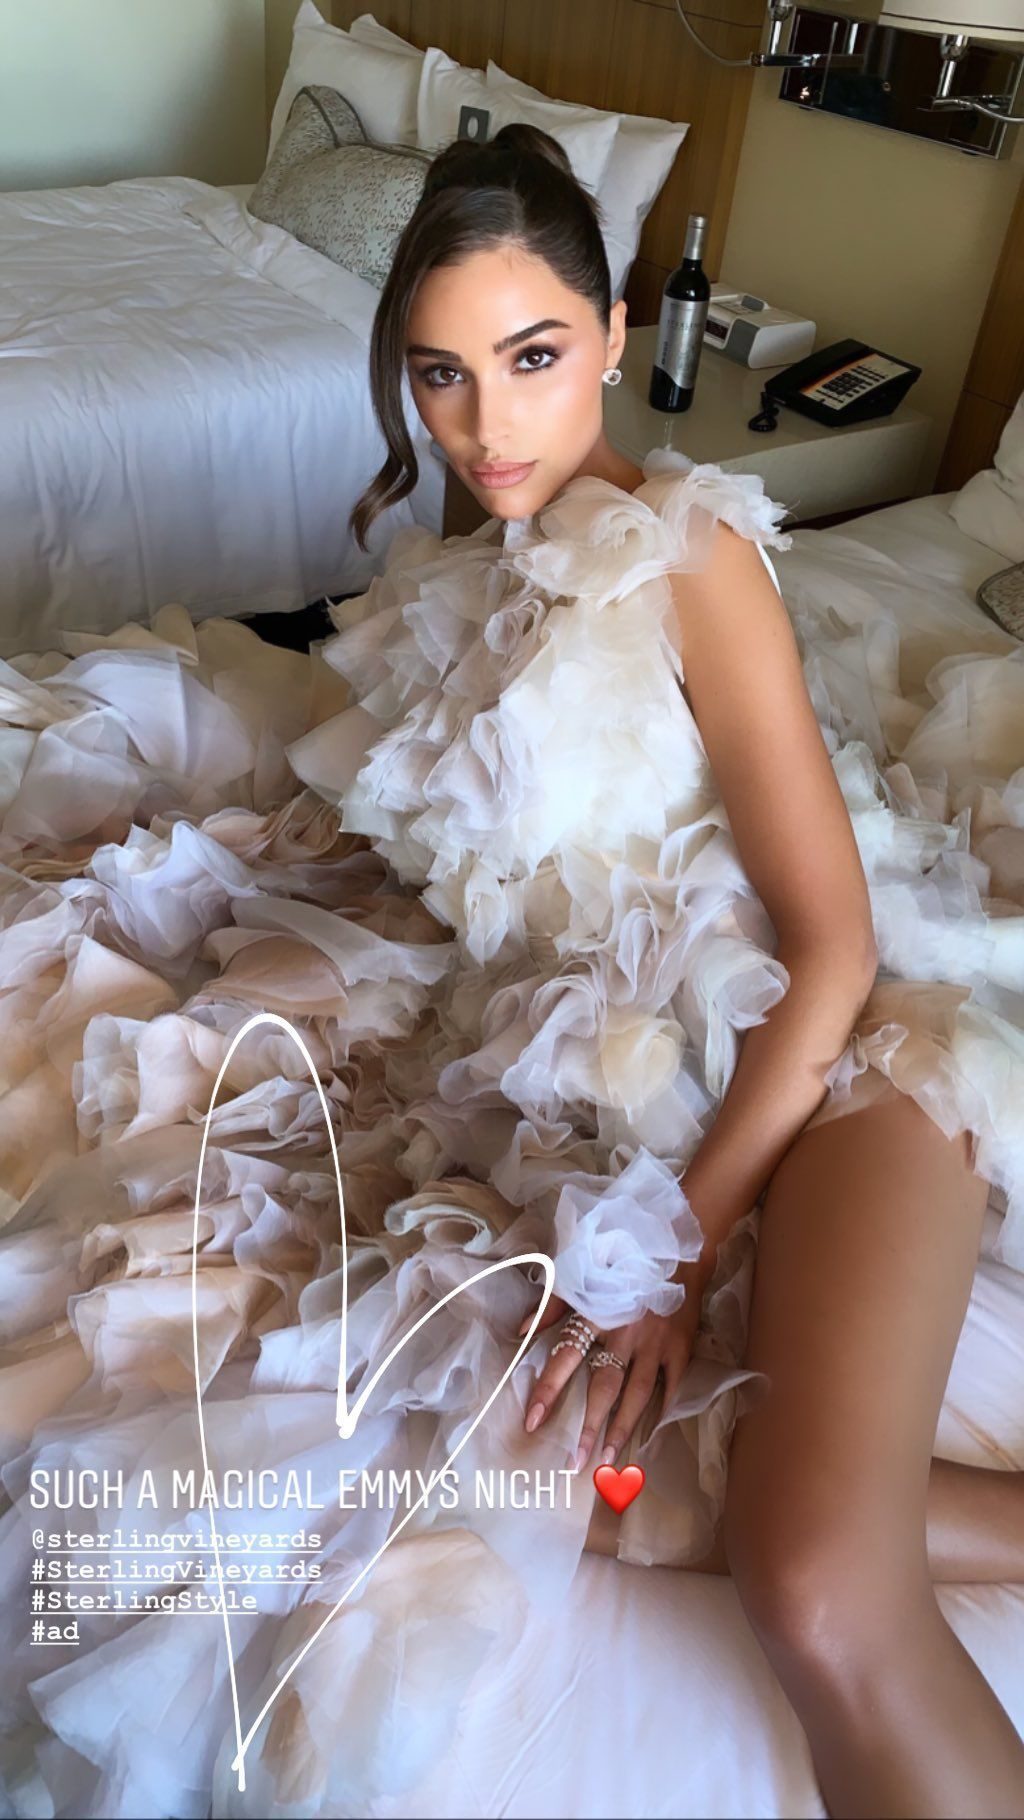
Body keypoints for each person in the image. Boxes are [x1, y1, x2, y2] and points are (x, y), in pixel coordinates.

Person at [0, 119, 1021, 1820]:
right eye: (444, 375)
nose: (486, 427)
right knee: (543, 1463)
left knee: (821, 1594)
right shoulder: (463, 584)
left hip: (841, 1057)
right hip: (618, 1086)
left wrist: (677, 1255)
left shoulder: (693, 556)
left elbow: (834, 947)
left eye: (533, 357)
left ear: (616, 335)